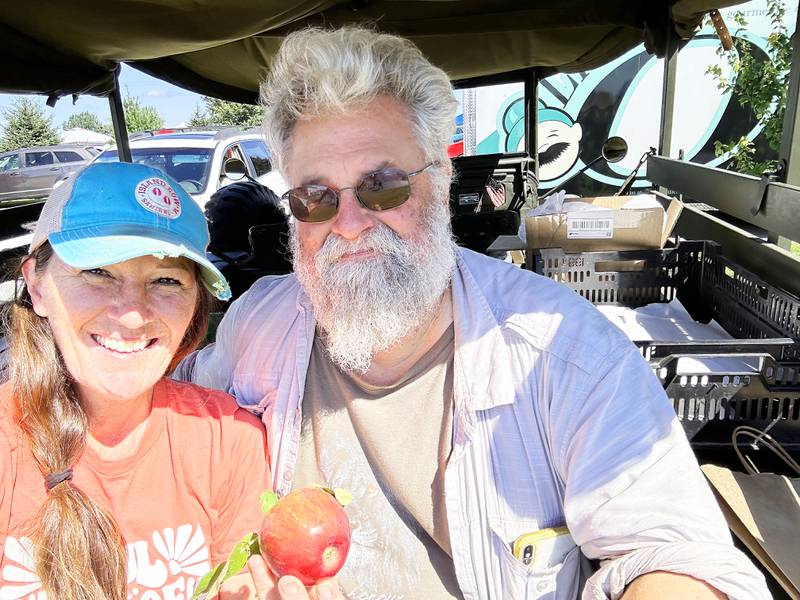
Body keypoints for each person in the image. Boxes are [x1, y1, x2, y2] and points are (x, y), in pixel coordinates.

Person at [177, 27, 771, 599]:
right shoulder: (258, 325)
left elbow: (677, 557)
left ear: (440, 178)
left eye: (382, 186)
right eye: (316, 197)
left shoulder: (563, 357)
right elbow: (167, 416)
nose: (349, 224)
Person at [0, 163, 272, 600]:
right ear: (37, 286)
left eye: (166, 281)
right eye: (98, 273)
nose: (131, 313)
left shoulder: (228, 440)